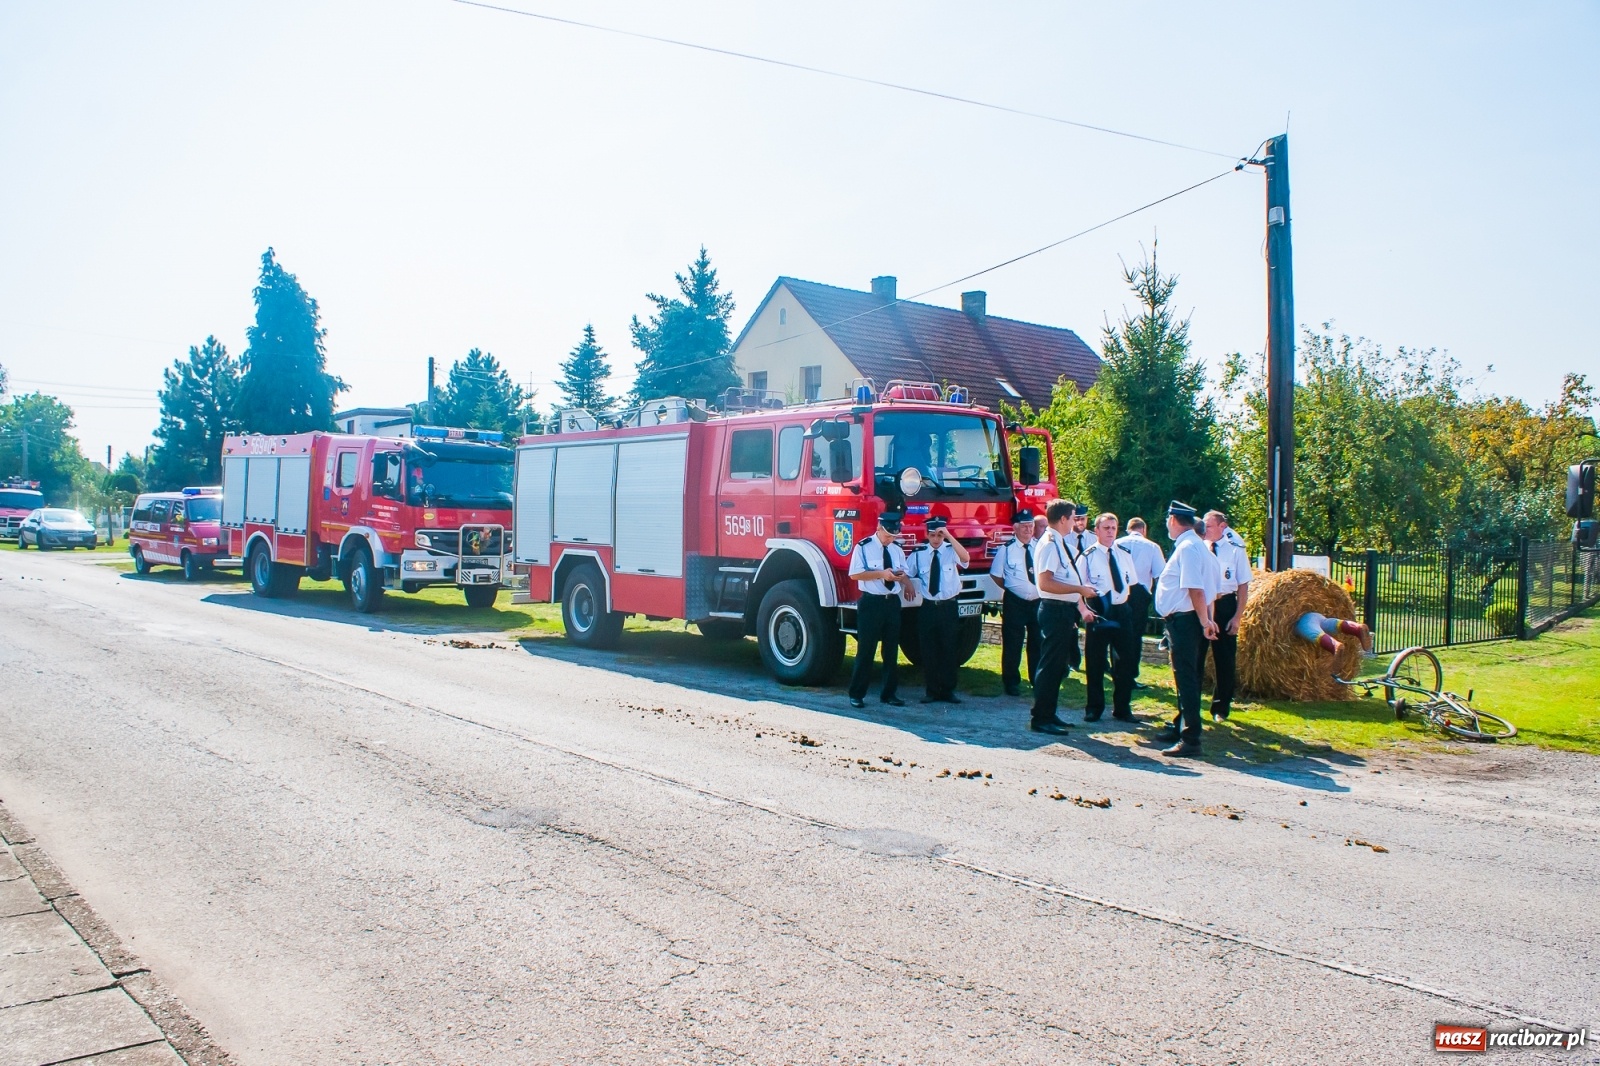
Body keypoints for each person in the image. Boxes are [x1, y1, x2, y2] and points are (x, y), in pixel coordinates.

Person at [1152, 501, 1219, 756]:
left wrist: (1204, 622)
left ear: (1172, 520)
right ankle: (1182, 725)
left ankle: (1190, 738)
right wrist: (1207, 619)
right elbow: (1210, 591)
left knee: (1187, 678)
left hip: (1186, 621)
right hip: (1191, 619)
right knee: (1188, 677)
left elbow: (1195, 589)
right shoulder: (1199, 547)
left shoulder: (1188, 547)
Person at [1028, 501, 1100, 734]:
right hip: (1054, 609)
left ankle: (1049, 713)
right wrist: (1079, 589)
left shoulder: (1058, 542)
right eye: (1072, 517)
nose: (1074, 522)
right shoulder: (1050, 544)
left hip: (1063, 610)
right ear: (1062, 519)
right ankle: (1041, 717)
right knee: (1051, 665)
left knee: (1058, 665)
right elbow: (1045, 583)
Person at [1078, 513, 1142, 722]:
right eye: (1106, 528)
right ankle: (1094, 708)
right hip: (1099, 612)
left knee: (1125, 661)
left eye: (1113, 528)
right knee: (1095, 661)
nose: (1110, 532)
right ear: (1096, 530)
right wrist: (1084, 611)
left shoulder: (1124, 554)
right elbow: (1077, 589)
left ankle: (1122, 708)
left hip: (1122, 610)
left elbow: (1131, 583)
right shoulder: (1087, 556)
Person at [847, 512, 913, 709]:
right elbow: (855, 574)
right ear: (878, 528)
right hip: (871, 603)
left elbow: (903, 571)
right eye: (887, 535)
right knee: (866, 650)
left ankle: (889, 694)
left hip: (891, 603)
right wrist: (881, 574)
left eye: (893, 536)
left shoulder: (896, 549)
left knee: (891, 651)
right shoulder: (863, 547)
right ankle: (857, 694)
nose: (890, 539)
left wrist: (906, 582)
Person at [905, 514, 970, 703]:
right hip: (928, 607)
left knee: (949, 648)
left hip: (948, 607)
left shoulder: (951, 550)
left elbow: (965, 558)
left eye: (939, 535)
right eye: (932, 535)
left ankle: (948, 690)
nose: (936, 539)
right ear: (927, 535)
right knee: (928, 650)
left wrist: (949, 536)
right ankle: (932, 691)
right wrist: (908, 584)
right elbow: (906, 572)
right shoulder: (919, 553)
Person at [1202, 510, 1253, 721]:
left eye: (1209, 526)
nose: (1204, 529)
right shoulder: (1199, 546)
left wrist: (1237, 617)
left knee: (1224, 658)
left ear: (1222, 527)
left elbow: (1243, 585)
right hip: (1202, 603)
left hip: (1224, 604)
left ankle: (1221, 707)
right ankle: (1189, 706)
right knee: (1196, 655)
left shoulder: (1235, 549)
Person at [989, 509, 1040, 696]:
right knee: (1012, 644)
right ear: (1015, 528)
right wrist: (1012, 588)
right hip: (1015, 602)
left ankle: (1037, 680)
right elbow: (996, 574)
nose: (1028, 530)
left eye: (1030, 526)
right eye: (1024, 526)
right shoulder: (1006, 549)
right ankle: (1011, 682)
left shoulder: (1040, 547)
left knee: (1038, 643)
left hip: (1037, 602)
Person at [1116, 517, 1166, 689]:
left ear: (1128, 529)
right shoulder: (1152, 546)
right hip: (1140, 593)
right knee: (1135, 634)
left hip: (1119, 590)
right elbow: (1160, 574)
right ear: (1144, 530)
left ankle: (1117, 671)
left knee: (1117, 632)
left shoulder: (1117, 543)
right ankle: (1130, 674)